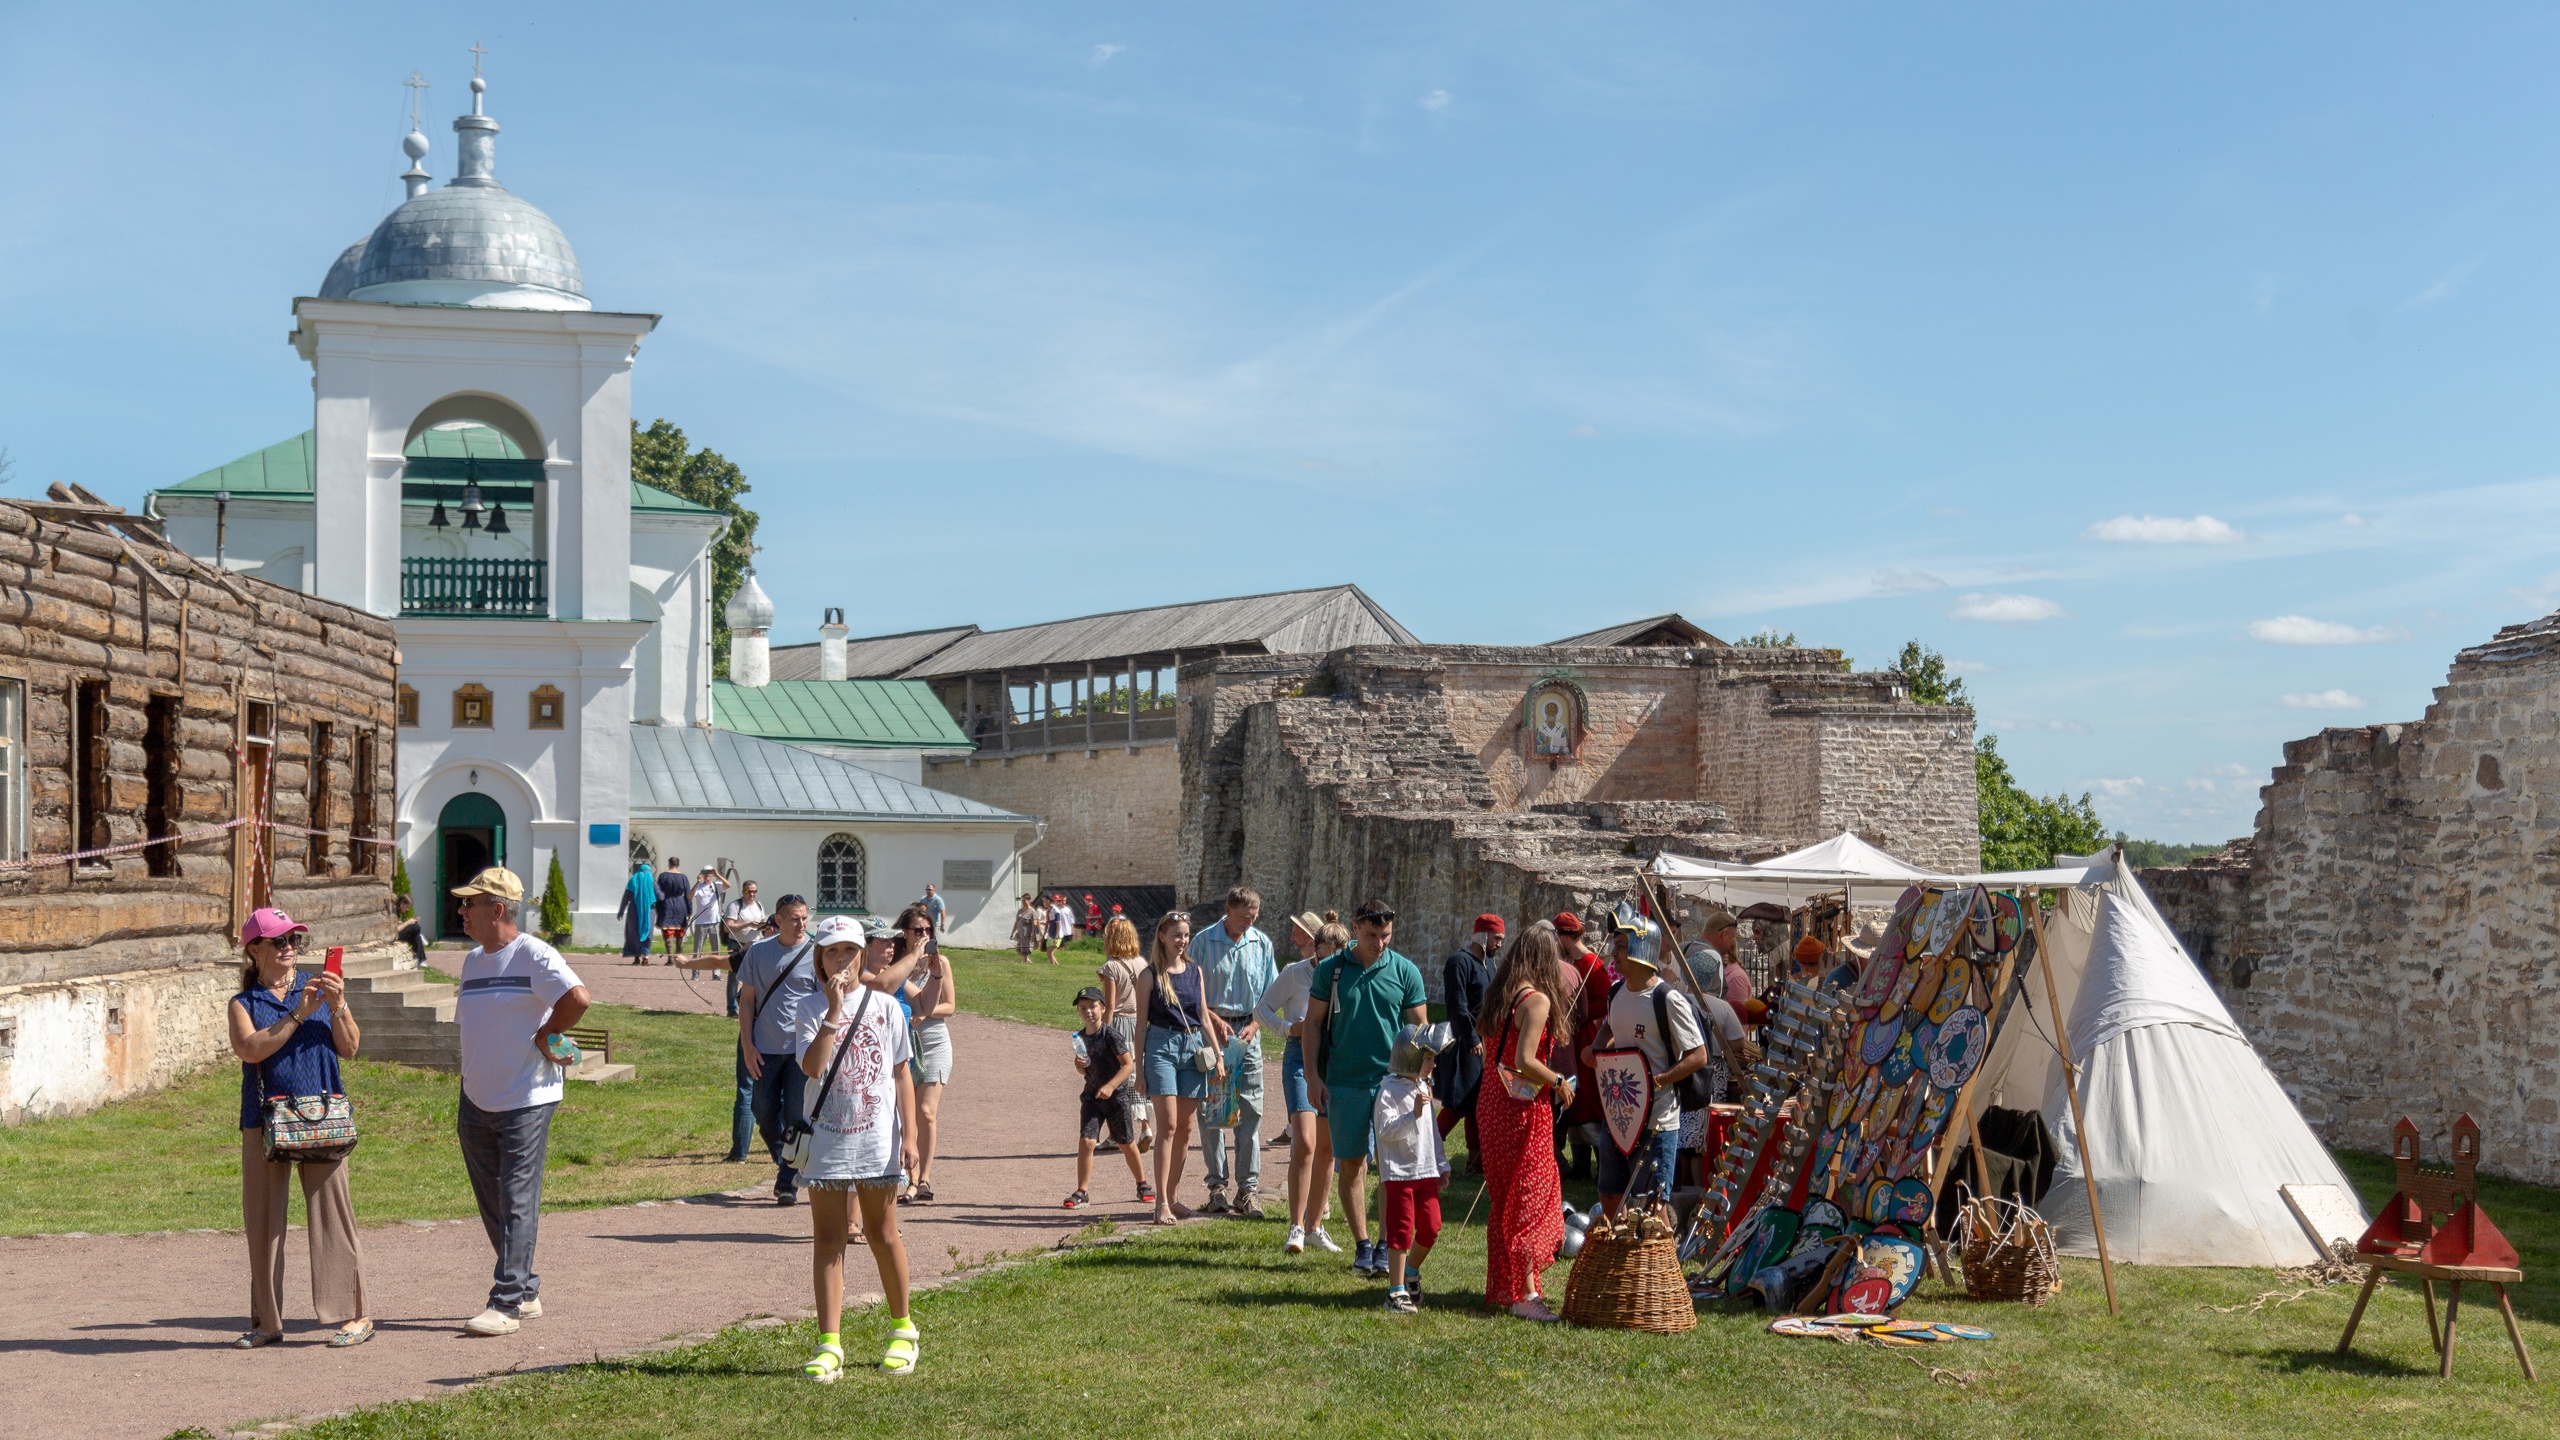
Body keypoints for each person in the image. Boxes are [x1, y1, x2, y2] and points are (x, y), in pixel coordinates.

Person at [448, 867, 591, 1336]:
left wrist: (549, 1033)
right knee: (493, 1201)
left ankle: (505, 1303)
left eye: (470, 904)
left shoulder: (535, 955)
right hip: (476, 1097)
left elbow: (578, 997)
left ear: (497, 910)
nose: (461, 910)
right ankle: (526, 1290)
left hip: (528, 1097)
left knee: (516, 1199)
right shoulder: (472, 961)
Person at [228, 907, 372, 1348]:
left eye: (294, 941)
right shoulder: (244, 1003)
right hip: (266, 1121)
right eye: (279, 941)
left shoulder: (319, 987)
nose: (289, 948)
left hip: (323, 1114)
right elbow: (250, 1049)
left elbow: (349, 1048)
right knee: (264, 1223)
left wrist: (338, 1004)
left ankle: (355, 1317)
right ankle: (267, 1323)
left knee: (334, 1219)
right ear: (255, 950)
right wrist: (297, 1014)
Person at [794, 915, 922, 1382]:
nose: (842, 960)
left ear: (862, 954)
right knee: (828, 1239)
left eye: (849, 951)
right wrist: (831, 1012)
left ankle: (903, 1331)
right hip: (827, 1139)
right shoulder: (808, 1007)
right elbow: (812, 1068)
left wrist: (910, 1136)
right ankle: (829, 1343)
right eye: (832, 952)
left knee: (882, 1232)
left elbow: (901, 1072)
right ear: (820, 960)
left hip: (876, 1139)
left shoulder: (886, 1006)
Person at [1302, 898, 1428, 1278]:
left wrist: (1419, 1080)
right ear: (1355, 929)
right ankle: (1362, 1244)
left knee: (1391, 1169)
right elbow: (1312, 1024)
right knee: (1352, 1164)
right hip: (1344, 1082)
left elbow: (1419, 1031)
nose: (1380, 943)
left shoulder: (1404, 970)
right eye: (1372, 935)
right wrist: (1312, 1076)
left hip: (1393, 1085)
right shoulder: (1332, 970)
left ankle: (1387, 1243)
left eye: (1386, 935)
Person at [1478, 921, 1578, 1321]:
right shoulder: (1536, 1001)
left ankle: (1509, 1288)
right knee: (1530, 1198)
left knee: (1506, 1198)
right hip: (1521, 1109)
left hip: (1491, 1102)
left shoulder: (1502, 992)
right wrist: (1558, 1082)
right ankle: (1526, 1295)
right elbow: (1525, 1060)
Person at [1584, 920, 1707, 1218]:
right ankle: (1626, 1261)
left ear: (1642, 950)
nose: (1614, 953)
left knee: (1653, 1204)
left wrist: (1660, 1079)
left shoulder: (1667, 999)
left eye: (1621, 946)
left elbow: (1698, 1055)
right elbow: (1612, 1026)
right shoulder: (1617, 993)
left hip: (1658, 1118)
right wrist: (1597, 1048)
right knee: (1610, 1194)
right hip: (1618, 1114)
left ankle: (1663, 1263)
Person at [1135, 910, 1229, 1223]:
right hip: (1160, 1048)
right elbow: (1140, 1027)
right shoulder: (1149, 975)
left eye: (1186, 935)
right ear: (1162, 936)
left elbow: (1202, 1016)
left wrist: (1218, 1055)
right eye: (1176, 935)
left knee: (1186, 1130)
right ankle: (1160, 1203)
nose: (1182, 940)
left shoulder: (1194, 971)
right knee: (1169, 1126)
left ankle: (1173, 1198)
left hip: (1192, 1051)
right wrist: (1139, 1071)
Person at [1190, 885, 1277, 1218]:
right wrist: (1212, 1019)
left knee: (1250, 1112)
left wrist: (1255, 1025)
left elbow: (1270, 993)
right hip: (1212, 1032)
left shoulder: (1261, 943)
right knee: (1213, 1112)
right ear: (1228, 910)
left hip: (1246, 1032)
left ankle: (1248, 1189)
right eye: (1244, 916)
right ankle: (1217, 1187)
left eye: (1253, 917)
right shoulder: (1203, 943)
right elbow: (1190, 992)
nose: (1249, 922)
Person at [1258, 910, 1341, 1254]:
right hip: (1298, 1055)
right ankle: (1295, 1227)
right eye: (1324, 955)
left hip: (1335, 1057)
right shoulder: (1295, 973)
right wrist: (1288, 1028)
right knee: (1305, 1141)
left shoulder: (1348, 977)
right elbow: (1262, 1009)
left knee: (1328, 1148)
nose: (1330, 962)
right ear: (1316, 949)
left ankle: (1315, 1227)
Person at [737, 895, 820, 1205]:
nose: (801, 924)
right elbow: (747, 1001)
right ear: (779, 920)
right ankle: (789, 1158)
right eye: (794, 919)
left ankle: (786, 1182)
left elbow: (824, 1003)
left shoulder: (815, 954)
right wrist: (747, 1045)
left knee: (796, 1116)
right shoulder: (758, 953)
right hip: (764, 1048)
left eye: (804, 917)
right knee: (763, 1113)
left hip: (801, 1049)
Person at [1374, 1022, 1452, 1313]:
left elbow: (1431, 1132)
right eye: (1429, 1058)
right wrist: (1413, 1113)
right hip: (1400, 1173)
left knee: (1431, 1226)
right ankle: (1395, 1293)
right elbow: (1384, 1130)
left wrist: (1441, 1164)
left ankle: (1410, 1271)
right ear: (1412, 1058)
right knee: (1401, 1230)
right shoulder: (1389, 1091)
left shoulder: (1423, 1087)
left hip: (1425, 1170)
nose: (1433, 1064)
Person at [1064, 986, 1146, 1207]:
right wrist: (1079, 1066)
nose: (1088, 1011)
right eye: (1083, 1008)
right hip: (1091, 1098)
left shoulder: (1110, 1034)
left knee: (1126, 1143)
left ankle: (1142, 1183)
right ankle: (1082, 1192)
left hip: (1116, 1098)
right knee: (1087, 1141)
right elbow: (1085, 1069)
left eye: (1092, 1006)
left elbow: (1128, 1066)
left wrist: (1110, 1086)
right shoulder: (1080, 1037)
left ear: (1102, 1007)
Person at [898, 905, 955, 1204]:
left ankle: (925, 1179)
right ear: (904, 934)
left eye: (927, 931)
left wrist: (924, 1014)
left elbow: (950, 1006)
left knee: (925, 1112)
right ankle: (908, 1179)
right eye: (917, 931)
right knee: (905, 1116)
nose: (923, 936)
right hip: (904, 1044)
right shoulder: (896, 963)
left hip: (934, 1044)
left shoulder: (940, 962)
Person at [1438, 914, 1502, 1172]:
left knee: (1476, 1101)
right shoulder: (1459, 962)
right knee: (1459, 1101)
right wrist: (1471, 1037)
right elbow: (1457, 1005)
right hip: (1463, 1042)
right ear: (1482, 935)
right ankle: (1428, 1145)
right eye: (1496, 938)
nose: (1499, 944)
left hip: (1482, 1041)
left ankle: (1474, 1162)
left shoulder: (1489, 965)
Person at [1095, 917, 1156, 1170]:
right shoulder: (1142, 962)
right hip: (1139, 1022)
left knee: (1114, 1078)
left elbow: (1109, 1005)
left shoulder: (1110, 967)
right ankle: (1145, 1127)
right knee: (1137, 1077)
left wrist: (1103, 1033)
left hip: (1119, 1023)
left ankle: (1116, 1133)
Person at [1554, 910, 1609, 1181]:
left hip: (1584, 1036)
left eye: (1557, 935)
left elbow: (1604, 1001)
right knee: (1573, 1099)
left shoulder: (1591, 964)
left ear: (1565, 937)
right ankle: (1580, 1166)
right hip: (1571, 1036)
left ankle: (1603, 1165)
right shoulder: (1572, 962)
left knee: (1586, 1098)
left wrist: (1576, 1012)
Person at [618, 859, 655, 965]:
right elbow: (660, 895)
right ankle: (645, 957)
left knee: (634, 933)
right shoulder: (651, 881)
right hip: (649, 911)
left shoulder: (633, 880)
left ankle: (636, 957)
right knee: (647, 932)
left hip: (634, 911)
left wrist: (621, 911)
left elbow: (626, 898)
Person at [655, 856, 692, 962]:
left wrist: (658, 908)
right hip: (680, 904)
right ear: (678, 864)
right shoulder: (683, 877)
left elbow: (659, 894)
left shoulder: (663, 876)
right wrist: (689, 910)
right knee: (680, 931)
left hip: (667, 904)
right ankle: (679, 956)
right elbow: (688, 895)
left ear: (669, 863)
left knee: (668, 931)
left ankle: (671, 958)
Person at [690, 868, 729, 956]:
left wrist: (717, 875)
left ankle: (716, 969)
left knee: (716, 950)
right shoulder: (699, 887)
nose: (707, 875)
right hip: (701, 922)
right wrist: (697, 882)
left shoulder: (717, 885)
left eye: (709, 873)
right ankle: (695, 969)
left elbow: (728, 885)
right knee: (697, 949)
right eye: (705, 873)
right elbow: (689, 896)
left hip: (714, 921)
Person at [393, 894, 428, 968]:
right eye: (407, 907)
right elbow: (396, 929)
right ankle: (421, 959)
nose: (407, 909)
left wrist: (411, 921)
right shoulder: (394, 911)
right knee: (416, 927)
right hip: (394, 936)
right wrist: (408, 922)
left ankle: (420, 960)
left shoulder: (397, 912)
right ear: (402, 903)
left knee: (416, 935)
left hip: (397, 934)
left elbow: (399, 924)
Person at [919, 883, 946, 956]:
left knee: (932, 939)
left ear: (934, 890)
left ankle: (934, 954)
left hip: (934, 923)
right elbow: (920, 910)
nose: (928, 891)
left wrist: (942, 924)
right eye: (927, 889)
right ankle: (926, 953)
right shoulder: (923, 899)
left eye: (930, 890)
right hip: (925, 923)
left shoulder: (938, 900)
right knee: (925, 938)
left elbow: (943, 912)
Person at [1012, 894, 1040, 961]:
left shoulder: (1032, 911)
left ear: (1029, 900)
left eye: (1025, 900)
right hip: (1020, 933)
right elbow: (1016, 922)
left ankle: (1025, 963)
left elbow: (1034, 924)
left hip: (1026, 933)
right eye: (1022, 900)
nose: (1023, 902)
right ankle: (1028, 961)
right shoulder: (1020, 910)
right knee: (1019, 950)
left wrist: (1033, 935)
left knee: (1024, 951)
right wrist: (1013, 932)